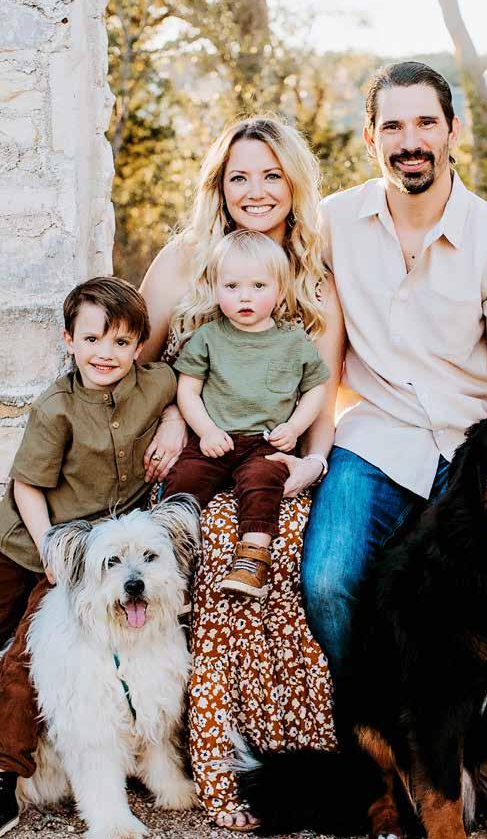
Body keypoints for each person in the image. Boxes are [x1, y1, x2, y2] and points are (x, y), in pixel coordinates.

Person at [301, 61, 487, 676]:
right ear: (370, 138)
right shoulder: (331, 224)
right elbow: (243, 245)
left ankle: (443, 722)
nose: (409, 142)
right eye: (393, 127)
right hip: (374, 432)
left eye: (425, 124)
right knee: (329, 584)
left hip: (469, 440)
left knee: (464, 602)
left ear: (452, 131)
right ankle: (377, 714)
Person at [139, 116, 342, 831]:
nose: (256, 190)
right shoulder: (186, 259)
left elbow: (324, 394)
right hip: (197, 453)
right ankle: (221, 760)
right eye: (239, 176)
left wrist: (312, 462)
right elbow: (139, 364)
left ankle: (292, 760)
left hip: (275, 464)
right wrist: (176, 415)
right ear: (218, 186)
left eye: (271, 175)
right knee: (210, 542)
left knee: (278, 560)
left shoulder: (313, 278)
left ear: (295, 184)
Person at [0, 277, 176, 837]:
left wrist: (174, 422)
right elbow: (27, 486)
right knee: (12, 643)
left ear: (140, 347)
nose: (106, 353)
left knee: (28, 654)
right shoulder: (56, 407)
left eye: (121, 342)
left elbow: (180, 393)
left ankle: (6, 772)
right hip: (35, 542)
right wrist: (51, 550)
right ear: (69, 340)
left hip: (99, 551)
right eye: (92, 339)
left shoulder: (158, 383)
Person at [163, 230, 329, 598]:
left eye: (258, 286)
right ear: (215, 288)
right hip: (215, 439)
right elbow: (187, 390)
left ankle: (252, 558)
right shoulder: (208, 337)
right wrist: (206, 430)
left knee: (263, 481)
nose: (245, 296)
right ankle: (172, 566)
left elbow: (316, 388)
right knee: (182, 480)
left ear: (280, 290)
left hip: (265, 442)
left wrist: (294, 426)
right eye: (232, 286)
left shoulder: (293, 341)